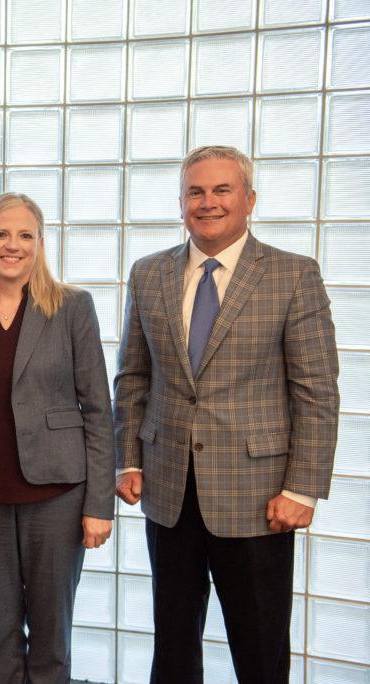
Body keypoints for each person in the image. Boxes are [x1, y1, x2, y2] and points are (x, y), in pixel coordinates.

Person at [114, 145, 339, 683]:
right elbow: (133, 377)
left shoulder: (292, 275)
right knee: (172, 646)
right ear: (182, 202)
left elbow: (316, 392)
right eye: (196, 191)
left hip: (259, 496)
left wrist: (303, 488)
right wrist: (127, 460)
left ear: (249, 200)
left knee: (259, 648)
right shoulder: (149, 275)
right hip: (168, 489)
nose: (208, 202)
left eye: (222, 190)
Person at [0, 192, 114, 683]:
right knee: (0, 635)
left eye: (25, 235)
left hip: (58, 496)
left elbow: (98, 409)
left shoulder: (73, 307)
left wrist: (100, 504)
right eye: (1, 234)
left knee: (52, 638)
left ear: (40, 243)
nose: (13, 245)